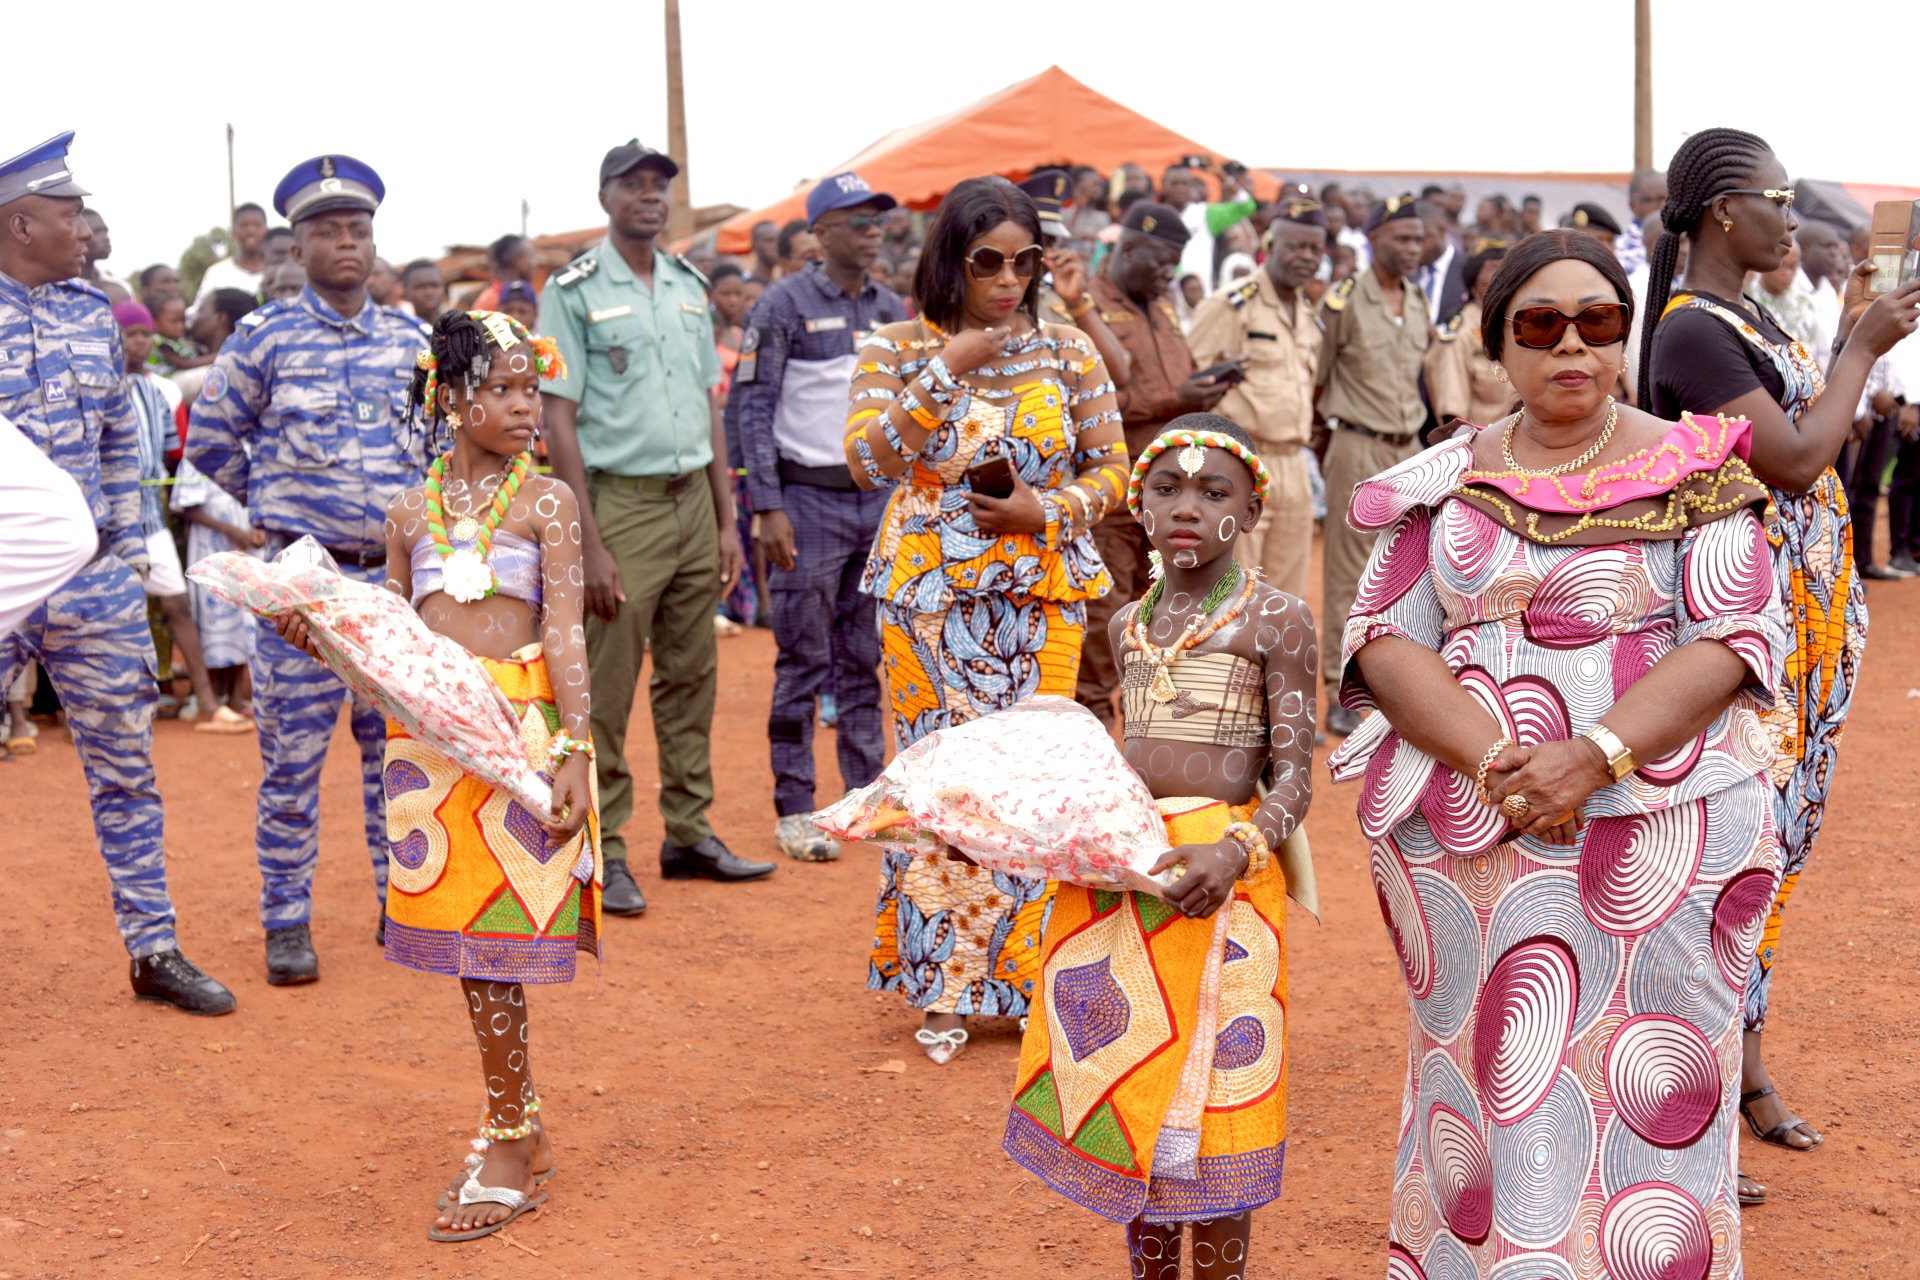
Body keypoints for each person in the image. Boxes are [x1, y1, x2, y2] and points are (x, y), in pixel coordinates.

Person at [1329, 228, 1791, 1271]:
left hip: (1659, 832)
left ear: (1626, 334)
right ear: (1498, 345)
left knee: (1651, 1072)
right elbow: (1383, 635)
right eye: (1541, 324)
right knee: (1488, 1071)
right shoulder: (1440, 479)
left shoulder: (1701, 464)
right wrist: (1501, 761)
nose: (1571, 345)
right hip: (1468, 829)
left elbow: (1734, 637)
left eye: (1599, 321)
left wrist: (1592, 756)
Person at [1640, 127, 1920, 1182]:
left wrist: (1849, 338)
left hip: (1803, 633)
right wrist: (1858, 350)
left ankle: (1746, 1070)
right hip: (1741, 639)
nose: (1791, 217)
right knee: (1726, 867)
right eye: (1778, 198)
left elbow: (1826, 442)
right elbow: (1800, 464)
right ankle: (1688, 1107)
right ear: (1723, 212)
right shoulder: (1690, 337)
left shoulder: (1750, 317)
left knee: (1775, 862)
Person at [1006, 416, 1314, 1274]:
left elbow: (1295, 779)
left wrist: (1235, 852)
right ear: (1137, 507)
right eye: (1168, 489)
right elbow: (1122, 766)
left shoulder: (1278, 620)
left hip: (1228, 884)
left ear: (1252, 511)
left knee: (1216, 1114)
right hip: (1133, 882)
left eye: (1214, 492)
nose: (1188, 507)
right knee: (1141, 1097)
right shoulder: (1124, 628)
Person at [845, 174, 1128, 1062]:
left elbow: (1114, 469)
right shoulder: (895, 348)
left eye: (1025, 261)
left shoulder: (1071, 352)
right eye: (987, 262)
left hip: (1042, 596)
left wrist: (1047, 512)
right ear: (951, 262)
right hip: (928, 603)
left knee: (1041, 784)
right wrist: (947, 369)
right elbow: (866, 461)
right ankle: (949, 986)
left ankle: (1043, 979)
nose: (1009, 279)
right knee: (947, 786)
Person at [0, 131, 235, 1014]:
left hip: (92, 576)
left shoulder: (93, 311)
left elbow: (113, 439)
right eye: (67, 215)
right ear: (21, 224)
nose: (85, 228)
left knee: (127, 768)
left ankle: (154, 949)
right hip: (3, 573)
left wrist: (128, 546)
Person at [187, 151, 434, 984]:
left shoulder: (413, 341)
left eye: (358, 230)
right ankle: (285, 924)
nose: (347, 245)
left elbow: (438, 452)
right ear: (297, 247)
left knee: (393, 753)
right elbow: (210, 439)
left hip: (391, 587)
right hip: (304, 586)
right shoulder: (266, 340)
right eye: (328, 232)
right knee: (292, 763)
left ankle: (398, 903)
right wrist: (276, 510)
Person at [537, 138, 759, 919]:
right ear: (604, 197)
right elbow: (557, 419)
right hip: (618, 504)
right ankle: (610, 844)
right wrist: (587, 542)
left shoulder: (690, 287)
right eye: (632, 185)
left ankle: (689, 833)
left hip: (693, 502)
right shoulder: (573, 289)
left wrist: (728, 523)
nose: (649, 197)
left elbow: (710, 406)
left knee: (692, 674)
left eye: (659, 186)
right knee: (606, 684)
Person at [726, 171, 907, 863]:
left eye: (876, 218)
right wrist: (765, 506)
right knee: (803, 659)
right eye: (857, 219)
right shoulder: (782, 305)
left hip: (876, 503)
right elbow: (752, 409)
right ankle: (795, 808)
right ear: (819, 231)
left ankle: (865, 799)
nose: (872, 229)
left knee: (865, 658)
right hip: (805, 502)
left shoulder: (891, 307)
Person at [1071, 203, 1232, 730]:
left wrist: (1204, 387)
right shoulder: (1084, 308)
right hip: (1114, 497)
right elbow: (1092, 402)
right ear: (1128, 250)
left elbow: (1173, 384)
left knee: (1163, 617)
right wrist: (1174, 398)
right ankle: (1091, 733)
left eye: (1175, 263)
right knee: (1105, 622)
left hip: (1170, 499)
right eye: (1162, 262)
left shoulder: (1160, 307)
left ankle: (1154, 737)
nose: (1170, 274)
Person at [1316, 195, 1431, 737]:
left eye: (1417, 239)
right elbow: (1317, 376)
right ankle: (1342, 692)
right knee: (1348, 574)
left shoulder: (1417, 300)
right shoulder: (1343, 302)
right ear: (1374, 240)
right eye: (1402, 239)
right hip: (1357, 445)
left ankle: (1394, 690)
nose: (1412, 249)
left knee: (1401, 574)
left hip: (1408, 449)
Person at [1184, 199, 1325, 600]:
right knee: (1231, 596)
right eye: (1295, 246)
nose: (1306, 256)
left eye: (1314, 249)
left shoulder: (1309, 315)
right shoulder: (1232, 304)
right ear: (1270, 245)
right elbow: (1191, 384)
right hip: (1241, 462)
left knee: (1284, 597)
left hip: (1294, 464)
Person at [113, 299, 229, 730]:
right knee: (112, 613)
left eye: (145, 334)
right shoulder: (98, 387)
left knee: (176, 603)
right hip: (107, 522)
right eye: (131, 333)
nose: (140, 341)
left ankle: (205, 701)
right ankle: (108, 712)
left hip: (151, 518)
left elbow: (167, 452)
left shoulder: (156, 391)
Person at [1021, 168, 1131, 391]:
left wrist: (1077, 303)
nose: (1045, 252)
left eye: (1051, 243)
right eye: (1037, 242)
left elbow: (1119, 372)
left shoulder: (1061, 293)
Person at [1423, 244, 1511, 431]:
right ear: (1474, 282)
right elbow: (1452, 416)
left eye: (1508, 267)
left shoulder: (1515, 324)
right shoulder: (1460, 333)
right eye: (1493, 268)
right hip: (1481, 447)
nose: (1503, 275)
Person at [1160, 163, 1255, 292]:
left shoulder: (1205, 213)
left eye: (1185, 184)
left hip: (1201, 296)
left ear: (1191, 186)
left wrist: (1222, 176)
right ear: (1164, 186)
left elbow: (1247, 206)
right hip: (1166, 293)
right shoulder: (1156, 215)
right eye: (1174, 184)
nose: (1180, 188)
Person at [198, 202, 270, 297]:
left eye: (257, 225)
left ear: (267, 230)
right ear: (234, 231)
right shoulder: (217, 273)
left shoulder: (280, 272)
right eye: (244, 225)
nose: (251, 230)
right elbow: (202, 310)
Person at [1415, 199, 1463, 325]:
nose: (1415, 248)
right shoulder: (1405, 271)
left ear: (1441, 231)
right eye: (1409, 239)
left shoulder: (1465, 269)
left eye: (1422, 239)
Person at [1616, 168, 1666, 274]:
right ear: (1633, 205)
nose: (1662, 205)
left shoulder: (1685, 243)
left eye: (1666, 198)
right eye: (1651, 199)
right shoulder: (1618, 249)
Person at [473, 234, 536, 312]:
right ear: (517, 259)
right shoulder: (490, 303)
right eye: (531, 257)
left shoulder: (526, 295)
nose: (534, 264)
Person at [80, 209, 131, 301]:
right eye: (96, 232)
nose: (106, 238)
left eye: (105, 231)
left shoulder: (120, 286)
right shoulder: (58, 286)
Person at [405, 258, 450, 322]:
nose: (429, 292)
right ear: (406, 291)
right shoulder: (397, 330)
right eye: (420, 287)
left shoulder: (458, 328)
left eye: (435, 285)